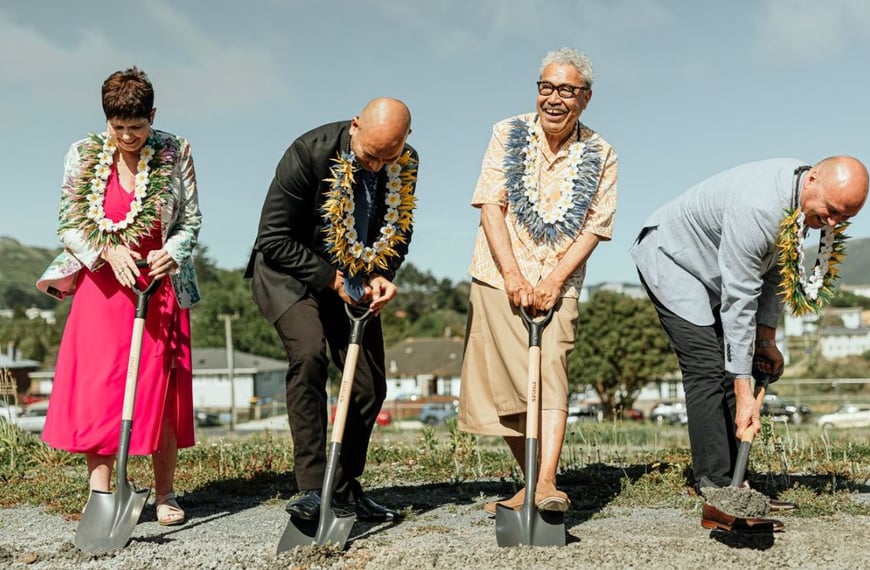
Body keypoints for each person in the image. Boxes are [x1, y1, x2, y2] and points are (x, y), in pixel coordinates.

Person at [631, 157, 868, 511]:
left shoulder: (802, 201)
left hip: (713, 271)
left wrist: (766, 342)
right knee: (708, 367)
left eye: (843, 219)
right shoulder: (759, 207)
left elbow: (774, 272)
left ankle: (737, 481)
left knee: (731, 368)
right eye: (831, 211)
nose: (831, 223)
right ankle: (716, 485)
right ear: (814, 178)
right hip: (674, 260)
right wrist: (744, 391)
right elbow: (740, 300)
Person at [37, 67, 202, 526]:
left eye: (138, 126)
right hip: (103, 284)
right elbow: (70, 224)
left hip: (159, 284)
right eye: (118, 127)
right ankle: (101, 493)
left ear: (153, 116)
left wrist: (173, 251)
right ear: (107, 120)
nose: (128, 136)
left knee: (160, 390)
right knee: (99, 387)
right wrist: (107, 250)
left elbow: (190, 218)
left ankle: (165, 492)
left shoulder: (177, 151)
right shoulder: (82, 154)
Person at [458, 48, 618, 514]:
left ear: (584, 98)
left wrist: (552, 278)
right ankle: (532, 482)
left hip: (559, 283)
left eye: (566, 90)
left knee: (551, 372)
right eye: (546, 86)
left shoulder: (602, 153)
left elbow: (595, 226)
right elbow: (491, 204)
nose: (553, 98)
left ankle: (547, 482)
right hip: (496, 275)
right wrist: (512, 274)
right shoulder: (506, 132)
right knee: (505, 385)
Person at [244, 98, 418, 523]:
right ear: (355, 126)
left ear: (405, 142)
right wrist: (334, 279)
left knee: (369, 388)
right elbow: (273, 237)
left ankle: (339, 490)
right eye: (370, 156)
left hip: (354, 276)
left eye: (388, 157)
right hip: (292, 273)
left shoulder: (405, 161)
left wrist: (382, 273)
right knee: (309, 356)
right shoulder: (308, 152)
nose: (377, 167)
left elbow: (400, 227)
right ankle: (310, 489)